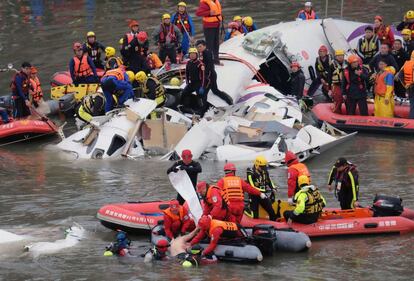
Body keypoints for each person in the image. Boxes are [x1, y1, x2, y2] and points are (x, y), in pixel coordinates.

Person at [196, 39, 233, 105]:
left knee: (204, 93)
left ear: (204, 46)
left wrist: (205, 76)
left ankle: (202, 107)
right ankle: (229, 100)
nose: (199, 48)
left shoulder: (206, 53)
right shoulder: (205, 52)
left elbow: (209, 65)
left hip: (209, 76)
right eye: (198, 47)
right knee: (215, 90)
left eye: (200, 46)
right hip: (212, 74)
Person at [179, 47, 209, 116]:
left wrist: (202, 86)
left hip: (199, 83)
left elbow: (203, 76)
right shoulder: (188, 63)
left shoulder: (200, 64)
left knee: (201, 96)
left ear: (196, 55)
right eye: (191, 54)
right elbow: (186, 73)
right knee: (184, 93)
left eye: (194, 54)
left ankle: (202, 111)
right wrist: (187, 82)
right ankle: (185, 106)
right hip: (191, 83)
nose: (192, 55)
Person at [246, 156, 277, 221]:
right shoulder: (250, 172)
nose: (264, 168)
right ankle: (245, 209)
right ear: (257, 165)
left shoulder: (264, 171)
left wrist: (273, 188)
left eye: (264, 166)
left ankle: (274, 224)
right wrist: (263, 191)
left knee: (272, 212)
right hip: (253, 195)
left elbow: (269, 180)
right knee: (255, 216)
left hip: (263, 195)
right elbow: (252, 186)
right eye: (262, 167)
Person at [196, 0, 223, 65]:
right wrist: (209, 12)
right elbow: (198, 13)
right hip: (209, 26)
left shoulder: (215, 2)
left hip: (216, 25)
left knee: (216, 44)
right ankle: (208, 62)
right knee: (209, 45)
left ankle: (216, 60)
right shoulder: (205, 3)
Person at [329, 50, 347, 114]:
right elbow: (329, 76)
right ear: (336, 56)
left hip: (346, 84)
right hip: (337, 84)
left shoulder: (347, 63)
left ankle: (349, 113)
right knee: (338, 99)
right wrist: (329, 89)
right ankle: (337, 112)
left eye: (341, 55)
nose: (340, 57)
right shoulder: (332, 65)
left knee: (348, 100)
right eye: (338, 56)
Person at [399, 51, 414, 119]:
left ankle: (411, 120)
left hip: (410, 87)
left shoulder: (407, 63)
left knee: (412, 106)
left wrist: (405, 85)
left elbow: (400, 75)